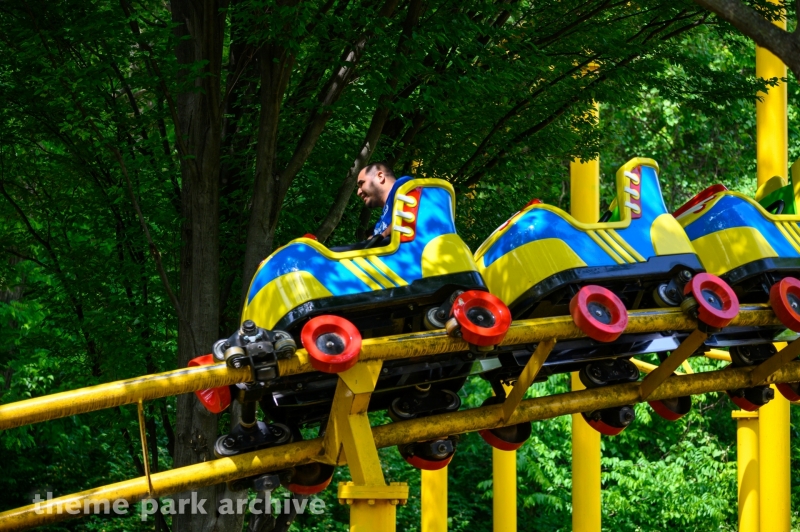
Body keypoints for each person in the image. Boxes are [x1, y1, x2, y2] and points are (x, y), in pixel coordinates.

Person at [356, 162, 412, 240]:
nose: (358, 192)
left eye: (361, 183)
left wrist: (380, 237)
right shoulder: (380, 221)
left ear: (380, 177)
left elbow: (411, 215)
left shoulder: (402, 185)